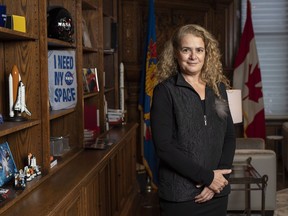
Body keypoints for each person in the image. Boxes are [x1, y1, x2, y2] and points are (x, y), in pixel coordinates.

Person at [150, 24, 236, 216]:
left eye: (199, 50)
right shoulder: (165, 92)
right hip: (180, 196)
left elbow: (229, 136)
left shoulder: (218, 89)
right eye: (186, 50)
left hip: (217, 193)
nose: (193, 56)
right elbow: (164, 147)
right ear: (176, 53)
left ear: (207, 54)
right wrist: (207, 177)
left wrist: (216, 181)